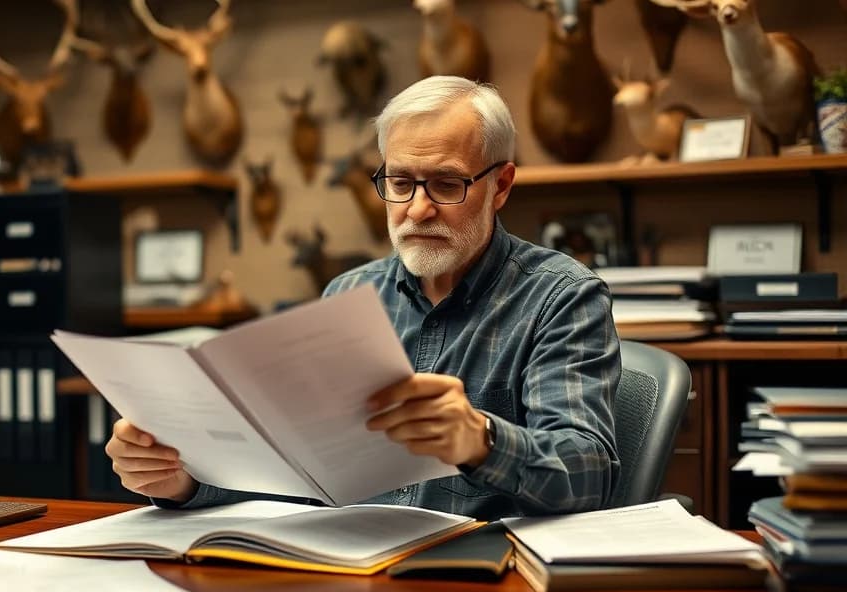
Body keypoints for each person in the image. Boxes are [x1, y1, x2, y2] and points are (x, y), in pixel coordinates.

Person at [105, 76, 621, 520]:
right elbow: (295, 470)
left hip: (480, 588)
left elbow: (588, 474)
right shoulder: (349, 294)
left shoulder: (562, 297)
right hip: (349, 575)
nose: (417, 211)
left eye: (445, 184)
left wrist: (480, 440)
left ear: (501, 185)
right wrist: (181, 480)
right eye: (399, 182)